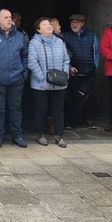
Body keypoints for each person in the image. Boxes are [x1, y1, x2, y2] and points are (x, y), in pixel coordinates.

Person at [0, 9, 28, 148]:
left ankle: (17, 135)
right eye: (6, 17)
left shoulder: (20, 36)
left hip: (16, 79)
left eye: (10, 17)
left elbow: (25, 55)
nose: (10, 20)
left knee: (15, 108)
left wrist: (24, 72)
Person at [28, 17, 71, 148]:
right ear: (38, 29)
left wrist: (65, 74)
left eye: (49, 24)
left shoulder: (59, 41)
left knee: (58, 110)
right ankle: (40, 134)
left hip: (59, 82)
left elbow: (66, 59)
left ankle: (59, 135)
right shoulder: (34, 43)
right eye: (44, 24)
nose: (48, 26)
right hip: (41, 84)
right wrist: (42, 78)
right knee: (41, 109)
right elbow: (32, 62)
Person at [62, 13, 100, 130]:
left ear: (82, 23)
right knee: (72, 98)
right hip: (73, 72)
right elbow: (63, 54)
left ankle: (88, 119)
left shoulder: (91, 35)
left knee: (88, 97)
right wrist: (69, 67)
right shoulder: (65, 36)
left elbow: (97, 51)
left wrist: (95, 65)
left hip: (89, 71)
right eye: (72, 22)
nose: (74, 24)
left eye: (77, 22)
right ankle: (71, 121)